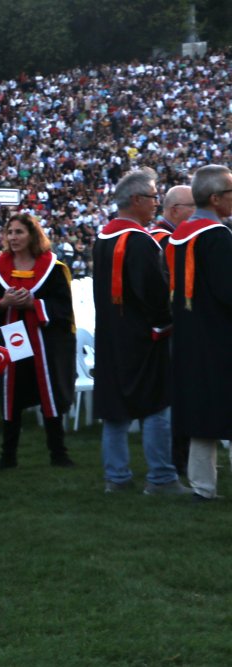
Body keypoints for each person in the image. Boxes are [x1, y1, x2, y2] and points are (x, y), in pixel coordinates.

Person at [92, 169, 188, 495]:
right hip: (144, 337)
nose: (155, 203)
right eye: (152, 197)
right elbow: (154, 294)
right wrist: (167, 323)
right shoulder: (139, 241)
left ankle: (116, 477)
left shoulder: (103, 238)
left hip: (110, 336)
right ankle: (161, 477)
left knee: (115, 410)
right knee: (157, 407)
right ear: (136, 200)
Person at [0, 213, 76, 469]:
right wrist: (4, 303)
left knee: (49, 392)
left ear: (32, 235)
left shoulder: (53, 268)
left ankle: (59, 453)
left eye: (19, 232)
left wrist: (36, 304)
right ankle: (7, 455)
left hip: (45, 341)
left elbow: (63, 307)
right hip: (12, 336)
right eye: (10, 232)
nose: (13, 237)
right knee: (12, 393)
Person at [166, 165, 232, 501]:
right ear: (217, 198)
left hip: (190, 335)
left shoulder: (180, 234)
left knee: (201, 410)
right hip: (220, 337)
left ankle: (202, 486)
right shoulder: (217, 237)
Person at [150, 184, 194, 473]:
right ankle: (177, 459)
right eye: (193, 206)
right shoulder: (167, 240)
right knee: (179, 395)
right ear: (175, 209)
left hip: (165, 329)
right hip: (173, 329)